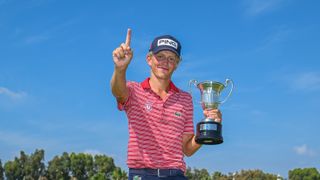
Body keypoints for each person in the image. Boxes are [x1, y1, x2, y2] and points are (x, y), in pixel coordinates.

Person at [111, 29, 222, 180]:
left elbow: (187, 149)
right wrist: (120, 69)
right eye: (160, 56)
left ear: (177, 63)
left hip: (175, 174)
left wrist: (207, 129)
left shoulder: (185, 99)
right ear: (149, 59)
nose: (165, 62)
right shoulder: (133, 90)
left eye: (171, 58)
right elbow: (118, 91)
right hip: (142, 174)